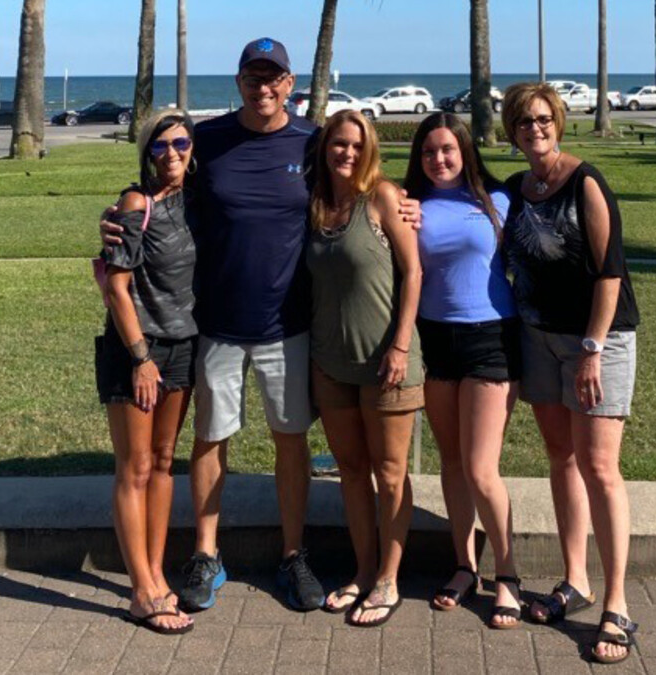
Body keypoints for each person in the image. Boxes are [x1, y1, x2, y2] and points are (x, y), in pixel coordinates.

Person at [99, 38, 422, 613]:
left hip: (288, 323)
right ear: (240, 81)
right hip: (216, 322)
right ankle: (206, 553)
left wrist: (408, 206)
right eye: (254, 76)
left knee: (289, 440)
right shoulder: (211, 140)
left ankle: (293, 553)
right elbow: (160, 185)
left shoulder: (314, 140)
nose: (264, 86)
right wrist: (117, 217)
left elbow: (359, 182)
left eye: (274, 77)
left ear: (291, 83)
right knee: (210, 440)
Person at [500, 82, 641, 664]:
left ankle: (617, 602)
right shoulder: (516, 189)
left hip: (596, 342)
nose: (534, 128)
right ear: (511, 131)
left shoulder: (585, 181)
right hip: (538, 339)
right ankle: (575, 580)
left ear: (558, 121)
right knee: (560, 459)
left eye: (542, 118)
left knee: (601, 467)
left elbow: (609, 272)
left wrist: (591, 348)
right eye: (523, 122)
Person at [402, 113, 523, 629]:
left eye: (448, 150)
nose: (439, 160)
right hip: (436, 339)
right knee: (451, 463)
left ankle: (508, 575)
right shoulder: (411, 204)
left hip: (491, 338)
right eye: (429, 152)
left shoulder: (500, 201)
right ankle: (464, 566)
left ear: (466, 151)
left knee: (480, 467)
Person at [308, 110, 423, 628]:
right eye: (338, 143)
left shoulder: (382, 198)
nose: (347, 153)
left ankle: (388, 580)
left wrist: (400, 346)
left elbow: (414, 271)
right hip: (330, 364)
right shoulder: (315, 204)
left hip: (386, 365)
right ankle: (363, 569)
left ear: (369, 149)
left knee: (391, 473)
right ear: (325, 147)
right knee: (352, 473)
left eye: (356, 145)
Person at [95, 110, 199, 635]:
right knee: (134, 468)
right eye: (161, 146)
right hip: (139, 350)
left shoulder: (191, 201)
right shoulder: (138, 203)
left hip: (183, 346)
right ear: (147, 153)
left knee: (163, 464)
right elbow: (115, 285)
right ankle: (141, 591)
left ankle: (156, 574)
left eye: (181, 143)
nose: (173, 154)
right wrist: (140, 359)